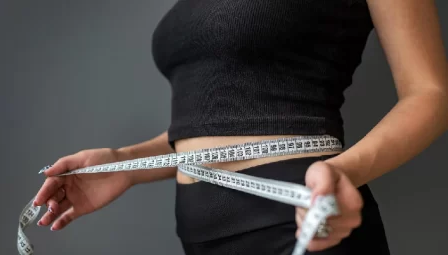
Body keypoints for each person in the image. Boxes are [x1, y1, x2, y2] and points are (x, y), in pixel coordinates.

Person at [33, 0, 448, 254]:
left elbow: (429, 92)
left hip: (299, 219)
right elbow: (217, 121)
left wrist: (344, 171)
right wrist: (124, 163)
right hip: (200, 237)